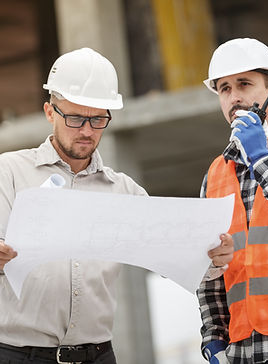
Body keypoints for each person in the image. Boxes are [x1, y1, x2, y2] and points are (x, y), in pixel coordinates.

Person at [0, 47, 233, 364]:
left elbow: (176, 259)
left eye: (98, 119)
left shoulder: (124, 191)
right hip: (18, 356)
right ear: (49, 112)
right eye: (75, 118)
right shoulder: (9, 173)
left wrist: (212, 258)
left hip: (98, 355)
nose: (86, 131)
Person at [197, 37, 268, 364]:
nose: (234, 97)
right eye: (224, 89)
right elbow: (208, 272)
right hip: (242, 353)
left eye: (244, 83)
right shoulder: (214, 175)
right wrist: (213, 336)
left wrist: (259, 157)